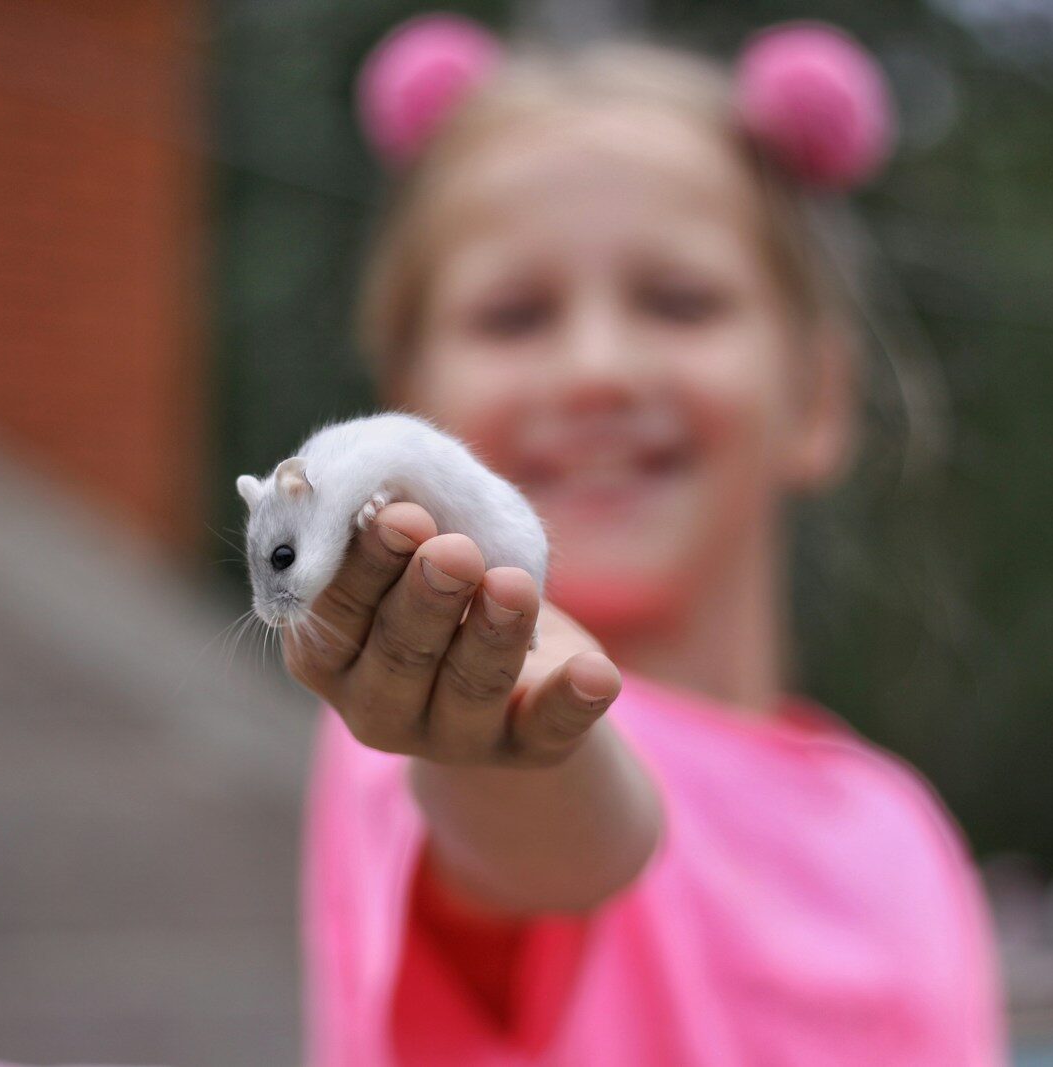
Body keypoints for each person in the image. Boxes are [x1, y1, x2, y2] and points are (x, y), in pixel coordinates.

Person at [289, 14, 1005, 1066]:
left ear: (816, 393)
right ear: (407, 411)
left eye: (679, 301)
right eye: (515, 315)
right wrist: (490, 739)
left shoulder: (903, 831)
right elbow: (542, 836)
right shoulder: (413, 722)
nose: (597, 368)